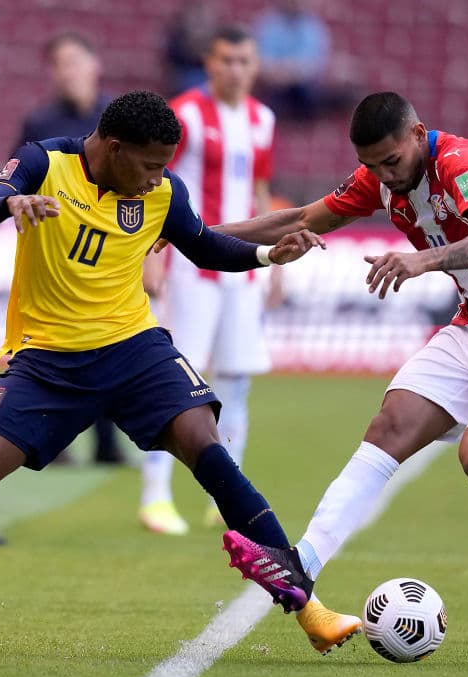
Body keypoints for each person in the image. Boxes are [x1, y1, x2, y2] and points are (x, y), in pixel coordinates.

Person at [0, 90, 325, 651]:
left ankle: (310, 608)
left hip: (134, 349)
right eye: (152, 164)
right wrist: (10, 204)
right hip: (47, 361)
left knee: (207, 446)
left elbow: (202, 245)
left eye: (166, 166)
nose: (159, 179)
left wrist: (265, 256)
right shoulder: (43, 162)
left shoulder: (161, 192)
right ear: (113, 146)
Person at [210, 92, 468, 660]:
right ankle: (302, 565)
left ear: (417, 133)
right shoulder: (380, 178)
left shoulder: (460, 165)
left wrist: (422, 260)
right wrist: (195, 233)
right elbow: (299, 218)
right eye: (371, 165)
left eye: (390, 162)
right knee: (389, 427)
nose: (382, 176)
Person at [138, 24, 276, 536]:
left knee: (236, 382)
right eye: (226, 60)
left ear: (254, 65)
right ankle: (155, 496)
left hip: (242, 269)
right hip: (191, 265)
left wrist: (273, 264)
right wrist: (152, 256)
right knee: (177, 378)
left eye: (244, 61)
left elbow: (261, 188)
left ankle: (227, 498)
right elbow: (153, 183)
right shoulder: (186, 114)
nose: (235, 70)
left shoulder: (264, 119)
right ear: (209, 63)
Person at [15, 31, 124, 466]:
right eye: (61, 64)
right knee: (51, 348)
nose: (70, 72)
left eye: (76, 61)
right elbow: (17, 180)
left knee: (107, 344)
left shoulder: (119, 116)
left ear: (95, 64)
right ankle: (53, 440)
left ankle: (106, 443)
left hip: (111, 251)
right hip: (54, 254)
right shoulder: (39, 123)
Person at [252, 0, 330, 118]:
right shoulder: (268, 23)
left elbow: (313, 65)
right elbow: (261, 59)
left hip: (303, 88)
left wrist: (288, 72)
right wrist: (281, 73)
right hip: (273, 86)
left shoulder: (313, 27)